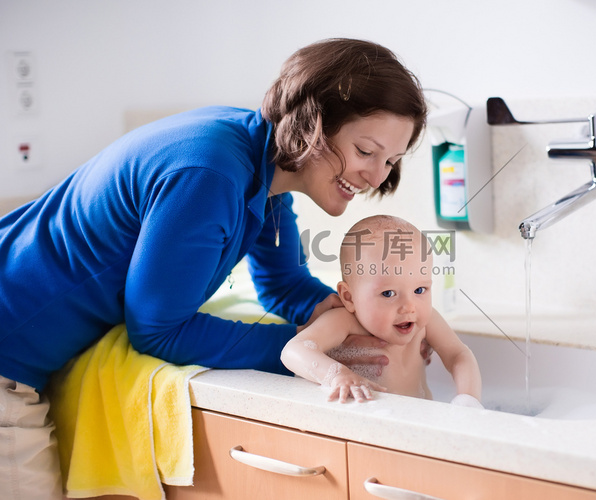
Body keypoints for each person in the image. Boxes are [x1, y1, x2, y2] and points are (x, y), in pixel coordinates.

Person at [0, 38, 427, 499]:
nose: (377, 176)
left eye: (391, 161)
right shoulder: (211, 174)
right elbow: (158, 330)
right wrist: (318, 354)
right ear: (312, 125)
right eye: (366, 150)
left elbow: (283, 285)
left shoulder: (263, 166)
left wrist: (352, 319)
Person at [281, 215, 483, 407]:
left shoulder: (427, 320)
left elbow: (458, 355)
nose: (409, 307)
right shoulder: (344, 322)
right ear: (349, 297)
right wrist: (337, 374)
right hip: (367, 427)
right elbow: (293, 351)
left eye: (419, 290)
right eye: (388, 293)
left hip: (421, 423)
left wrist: (468, 402)